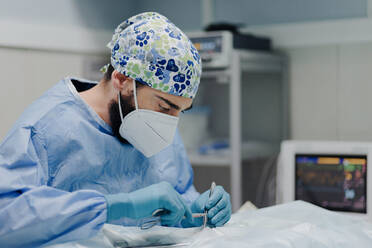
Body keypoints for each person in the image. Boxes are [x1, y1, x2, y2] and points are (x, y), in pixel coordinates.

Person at [0, 12, 231, 247]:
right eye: (164, 106)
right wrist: (113, 206)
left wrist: (192, 211)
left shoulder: (156, 123)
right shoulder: (45, 129)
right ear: (121, 79)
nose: (171, 121)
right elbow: (7, 218)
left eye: (181, 111)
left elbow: (178, 189)